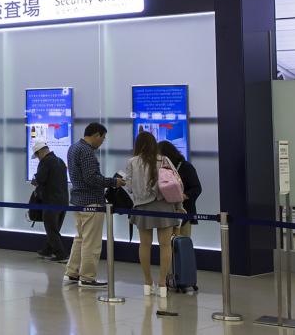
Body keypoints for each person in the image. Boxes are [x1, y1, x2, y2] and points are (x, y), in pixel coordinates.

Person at [123, 131, 183, 298]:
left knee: (144, 245)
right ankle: (162, 284)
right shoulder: (164, 159)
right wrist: (179, 206)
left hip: (142, 208)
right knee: (165, 245)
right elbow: (177, 183)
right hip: (165, 206)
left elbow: (129, 187)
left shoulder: (132, 162)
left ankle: (147, 283)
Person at [65, 122, 125, 288]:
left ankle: (72, 272)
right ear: (96, 135)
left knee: (80, 239)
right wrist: (114, 182)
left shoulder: (73, 148)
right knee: (91, 242)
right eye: (103, 138)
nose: (102, 142)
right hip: (91, 202)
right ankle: (87, 277)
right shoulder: (86, 151)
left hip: (77, 201)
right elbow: (91, 178)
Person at [31, 141, 69, 262]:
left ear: (40, 152)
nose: (37, 158)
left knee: (51, 229)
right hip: (63, 201)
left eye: (37, 156)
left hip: (51, 201)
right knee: (54, 227)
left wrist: (35, 180)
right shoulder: (60, 161)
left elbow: (40, 179)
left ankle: (61, 254)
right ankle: (47, 250)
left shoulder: (45, 161)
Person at [159, 140, 201, 238]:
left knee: (182, 244)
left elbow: (197, 188)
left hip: (184, 212)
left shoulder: (186, 167)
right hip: (167, 212)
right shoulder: (163, 169)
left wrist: (183, 196)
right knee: (167, 245)